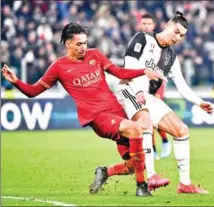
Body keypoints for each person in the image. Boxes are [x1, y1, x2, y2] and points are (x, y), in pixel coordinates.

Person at [1, 23, 166, 197]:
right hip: (97, 117)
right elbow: (33, 91)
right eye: (79, 44)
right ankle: (142, 187)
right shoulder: (59, 67)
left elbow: (119, 72)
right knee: (135, 129)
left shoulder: (95, 55)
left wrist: (144, 71)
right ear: (68, 44)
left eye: (85, 43)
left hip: (116, 112)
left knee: (137, 163)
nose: (83, 48)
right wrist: (15, 81)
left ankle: (105, 172)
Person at [115, 11, 214, 194]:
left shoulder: (171, 58)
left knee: (182, 130)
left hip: (147, 96)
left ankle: (185, 184)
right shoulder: (142, 39)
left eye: (182, 35)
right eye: (176, 31)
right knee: (145, 122)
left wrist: (199, 102)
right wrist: (138, 90)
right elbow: (129, 66)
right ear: (168, 24)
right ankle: (151, 175)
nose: (178, 37)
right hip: (128, 89)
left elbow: (182, 86)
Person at [140, 13, 172, 160]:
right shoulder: (137, 43)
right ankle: (152, 150)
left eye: (149, 23)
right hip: (141, 85)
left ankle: (164, 142)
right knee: (146, 119)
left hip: (157, 84)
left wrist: (158, 90)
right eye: (144, 23)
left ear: (153, 26)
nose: (146, 26)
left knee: (153, 117)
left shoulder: (158, 43)